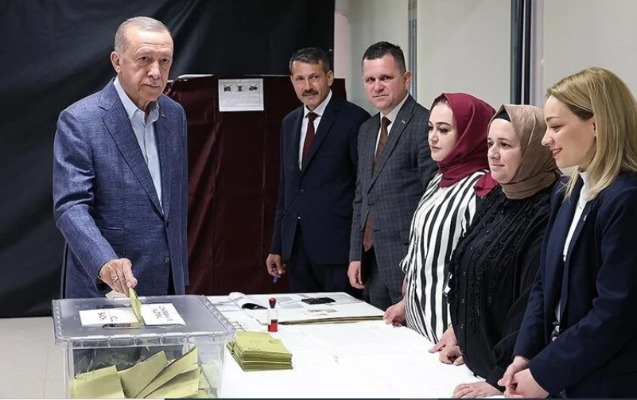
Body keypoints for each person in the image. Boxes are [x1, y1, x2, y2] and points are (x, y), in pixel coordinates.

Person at [499, 67, 637, 398]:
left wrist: (545, 372)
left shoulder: (626, 199)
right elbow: (544, 284)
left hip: (606, 384)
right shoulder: (567, 192)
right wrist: (525, 354)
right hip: (562, 372)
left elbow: (615, 313)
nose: (545, 138)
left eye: (556, 126)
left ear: (597, 125)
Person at [53, 16, 188, 298]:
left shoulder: (174, 115)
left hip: (168, 282)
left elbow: (173, 204)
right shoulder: (80, 120)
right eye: (144, 59)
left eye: (164, 61)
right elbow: (70, 206)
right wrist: (104, 262)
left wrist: (180, 274)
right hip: (107, 284)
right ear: (117, 61)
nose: (156, 72)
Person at [439, 105, 560, 398]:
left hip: (510, 379)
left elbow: (529, 304)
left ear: (533, 150)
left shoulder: (548, 209)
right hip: (475, 366)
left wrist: (497, 378)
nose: (493, 154)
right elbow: (469, 269)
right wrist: (462, 334)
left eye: (505, 145)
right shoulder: (498, 195)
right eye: (490, 143)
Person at [384, 93, 495, 342]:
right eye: (430, 128)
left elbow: (480, 273)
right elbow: (424, 253)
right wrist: (406, 303)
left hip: (448, 331)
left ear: (468, 134)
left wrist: (459, 329)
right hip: (418, 323)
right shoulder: (439, 179)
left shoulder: (480, 187)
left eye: (444, 130)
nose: (433, 137)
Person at [265, 47, 370, 294]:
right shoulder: (289, 123)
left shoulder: (355, 119)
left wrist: (358, 251)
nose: (307, 86)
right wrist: (277, 245)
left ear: (329, 77)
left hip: (338, 251)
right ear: (292, 81)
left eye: (314, 77)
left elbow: (364, 189)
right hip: (297, 250)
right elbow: (287, 188)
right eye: (300, 79)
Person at [347, 41, 436, 310]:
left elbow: (433, 199)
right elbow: (361, 196)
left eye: (385, 78)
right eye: (370, 80)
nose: (377, 86)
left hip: (408, 262)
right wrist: (355, 254)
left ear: (406, 79)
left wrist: (421, 262)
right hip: (371, 262)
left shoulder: (425, 125)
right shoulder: (366, 130)